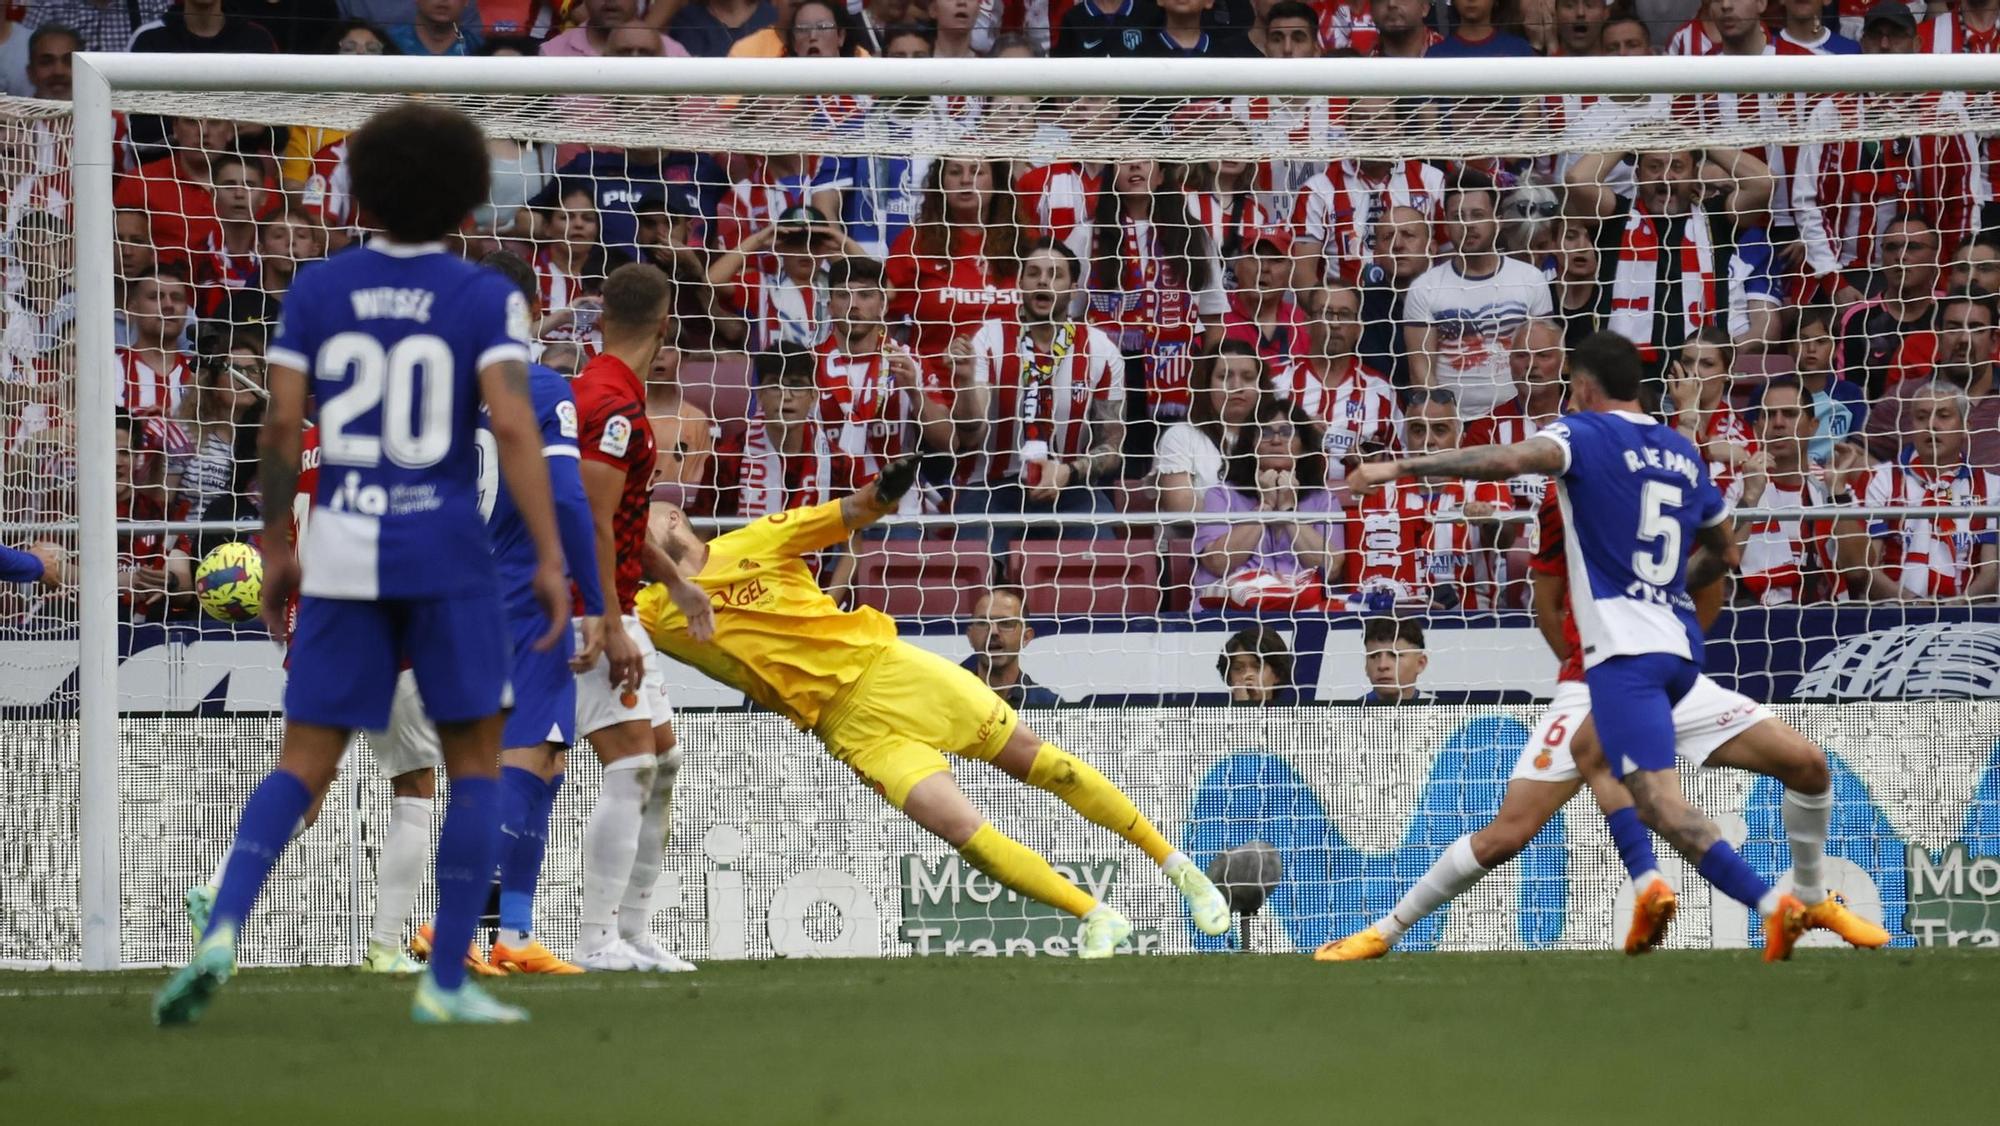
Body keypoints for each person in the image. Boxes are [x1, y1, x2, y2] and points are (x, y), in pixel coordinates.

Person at [154, 101, 572, 1027]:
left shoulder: (317, 288)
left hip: (341, 546)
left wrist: (273, 548)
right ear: (470, 199)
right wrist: (548, 556)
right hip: (443, 553)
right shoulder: (481, 298)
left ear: (360, 193)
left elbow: (277, 424)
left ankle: (222, 926)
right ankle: (445, 983)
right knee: (469, 765)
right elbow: (509, 426)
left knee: (304, 761)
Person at [1347, 330, 1891, 962]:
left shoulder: (1580, 437)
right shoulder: (1682, 452)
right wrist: (1661, 590)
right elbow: (1726, 554)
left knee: (1659, 799)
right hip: (1666, 657)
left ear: (1580, 386)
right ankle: (1387, 931)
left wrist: (1397, 466)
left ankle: (1788, 906)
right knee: (1798, 768)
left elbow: (1506, 466)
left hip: (1626, 667)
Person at [638, 460, 1233, 957]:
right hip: (846, 728)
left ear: (670, 516)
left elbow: (851, 512)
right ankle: (1095, 915)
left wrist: (888, 489)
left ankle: (1179, 868)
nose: (622, 530)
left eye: (631, 517)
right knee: (962, 832)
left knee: (1044, 764)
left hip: (891, 670)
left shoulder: (752, 542)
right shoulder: (649, 611)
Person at [1321, 494, 1691, 960]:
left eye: (1391, 654)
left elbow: (1719, 560)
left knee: (1789, 770)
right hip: (1594, 685)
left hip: (1660, 675)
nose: (1381, 664)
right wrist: (1580, 672)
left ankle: (1774, 896)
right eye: (1374, 656)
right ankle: (1383, 934)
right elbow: (1544, 601)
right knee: (1509, 832)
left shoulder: (1659, 498)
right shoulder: (1565, 506)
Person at [460, 250, 609, 975]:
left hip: (450, 595)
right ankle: (456, 926)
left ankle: (513, 935)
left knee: (536, 762)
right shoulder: (542, 387)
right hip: (524, 598)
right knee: (526, 760)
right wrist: (598, 602)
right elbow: (569, 498)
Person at [568, 262, 711, 972]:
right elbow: (591, 520)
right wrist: (609, 619)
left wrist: (675, 585)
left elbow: (621, 522)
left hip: (619, 597)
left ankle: (634, 928)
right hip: (591, 610)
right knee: (631, 769)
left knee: (665, 761)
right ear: (665, 322)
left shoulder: (610, 392)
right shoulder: (612, 408)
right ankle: (596, 939)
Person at [956, 238, 1125, 546]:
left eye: (1055, 274)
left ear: (1073, 287)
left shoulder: (1101, 349)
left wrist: (1067, 473)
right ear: (1020, 282)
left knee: (1106, 564)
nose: (1043, 280)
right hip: (995, 486)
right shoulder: (989, 338)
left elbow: (1112, 448)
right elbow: (969, 435)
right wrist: (965, 381)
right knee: (967, 568)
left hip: (1072, 488)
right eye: (1033, 273)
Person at [1403, 174, 1553, 427]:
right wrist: (1445, 426)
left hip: (1519, 419)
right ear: (1446, 224)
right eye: (1458, 217)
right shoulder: (1424, 288)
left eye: (1477, 214)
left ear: (1498, 220)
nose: (1468, 224)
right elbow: (1421, 372)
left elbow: (1544, 358)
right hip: (1457, 423)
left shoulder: (1531, 280)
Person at [1192, 398, 1338, 611]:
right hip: (1229, 614)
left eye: (1287, 432)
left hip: (1302, 612)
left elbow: (1331, 569)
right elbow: (1217, 563)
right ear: (1250, 444)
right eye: (1265, 433)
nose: (1276, 440)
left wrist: (1288, 512)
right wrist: (1265, 507)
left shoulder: (1323, 500)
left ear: (1304, 446)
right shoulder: (1222, 495)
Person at [1859, 381, 2000, 600]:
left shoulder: (1991, 485)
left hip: (1966, 617)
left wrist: (1956, 606)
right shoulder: (1881, 479)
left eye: (1943, 415)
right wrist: (1912, 605)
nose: (1931, 425)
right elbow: (1869, 566)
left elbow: (1990, 574)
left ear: (1966, 427)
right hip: (1895, 614)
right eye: (1922, 417)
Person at [1736, 379, 1872, 606]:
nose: (1778, 423)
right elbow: (1719, 565)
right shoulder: (1737, 485)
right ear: (1757, 427)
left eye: (1790, 414)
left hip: (1831, 623)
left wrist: (1836, 492)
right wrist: (1749, 498)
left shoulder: (1833, 486)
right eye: (1769, 415)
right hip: (1756, 622)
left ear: (1813, 425)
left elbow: (1859, 570)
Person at [1155, 340, 1267, 514]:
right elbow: (1179, 505)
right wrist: (1249, 515)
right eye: (1224, 377)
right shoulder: (1181, 436)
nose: (1236, 387)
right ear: (1205, 384)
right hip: (1193, 540)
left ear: (1262, 386)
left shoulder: (1275, 436)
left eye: (1248, 378)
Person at [963, 586, 1064, 708]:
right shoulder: (951, 700)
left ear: (1026, 637)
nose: (993, 631)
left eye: (1006, 623)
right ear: (970, 637)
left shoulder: (1049, 705)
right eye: (983, 623)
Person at [1357, 615, 1427, 704]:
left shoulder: (1439, 710)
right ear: (1366, 666)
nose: (1382, 665)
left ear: (1420, 663)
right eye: (1374, 656)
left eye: (1395, 655)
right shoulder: (1350, 714)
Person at [1219, 625, 1295, 705]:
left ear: (1278, 675)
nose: (1247, 675)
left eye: (1257, 667)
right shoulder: (1216, 716)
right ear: (1229, 677)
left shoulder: (1292, 715)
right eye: (1238, 668)